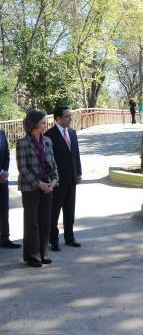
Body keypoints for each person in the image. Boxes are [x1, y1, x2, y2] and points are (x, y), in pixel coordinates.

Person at [17, 110, 59, 267]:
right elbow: (23, 169)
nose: (45, 124)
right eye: (42, 122)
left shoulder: (47, 141)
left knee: (45, 221)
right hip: (30, 188)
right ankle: (32, 256)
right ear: (34, 124)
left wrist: (54, 180)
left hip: (47, 185)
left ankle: (43, 253)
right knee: (32, 223)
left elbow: (53, 164)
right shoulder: (22, 143)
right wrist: (38, 183)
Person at [45, 105, 83, 251]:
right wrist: (52, 179)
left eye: (70, 115)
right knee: (54, 212)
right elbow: (48, 161)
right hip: (57, 181)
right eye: (67, 116)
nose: (70, 118)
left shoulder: (73, 133)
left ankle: (70, 237)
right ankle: (53, 240)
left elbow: (76, 155)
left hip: (72, 179)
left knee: (70, 211)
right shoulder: (49, 135)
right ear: (58, 118)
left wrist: (78, 173)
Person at [0, 129, 20, 248]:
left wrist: (5, 172)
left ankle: (4, 238)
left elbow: (7, 154)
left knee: (4, 209)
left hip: (3, 179)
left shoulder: (1, 133)